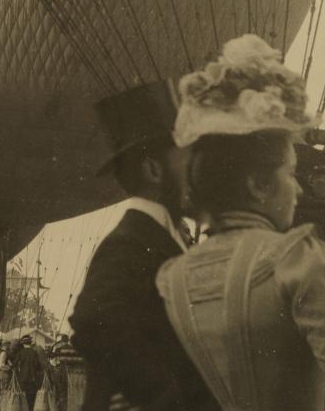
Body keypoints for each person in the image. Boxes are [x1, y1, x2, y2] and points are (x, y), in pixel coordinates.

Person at [156, 34, 325, 411]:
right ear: (257, 184)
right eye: (289, 173)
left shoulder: (173, 278)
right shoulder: (301, 260)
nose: (295, 189)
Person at [69, 80, 218, 410]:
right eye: (188, 161)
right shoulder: (130, 242)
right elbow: (93, 320)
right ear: (154, 170)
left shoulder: (158, 236)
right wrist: (164, 398)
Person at [13, 335, 42, 408]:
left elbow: (14, 364)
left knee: (23, 397)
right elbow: (38, 366)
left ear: (23, 344)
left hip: (22, 378)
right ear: (30, 343)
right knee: (31, 398)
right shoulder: (34, 352)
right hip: (33, 378)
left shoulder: (20, 353)